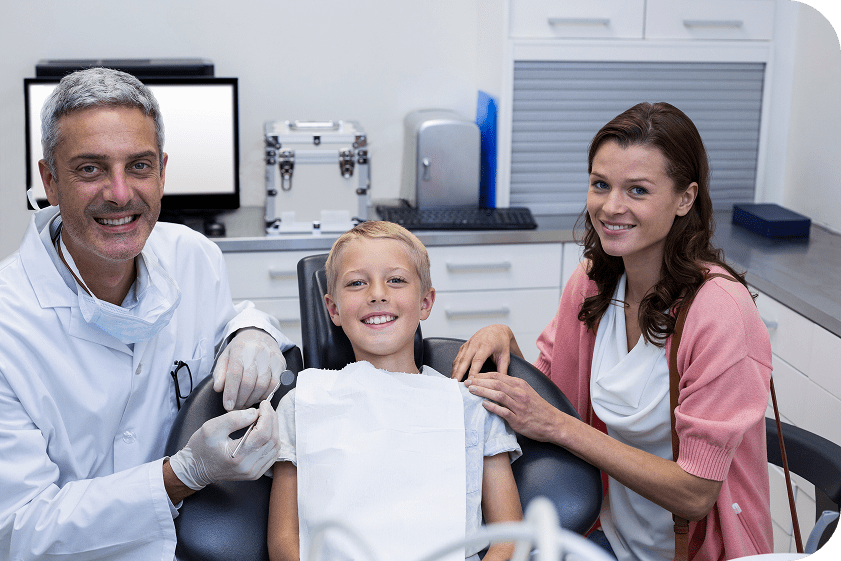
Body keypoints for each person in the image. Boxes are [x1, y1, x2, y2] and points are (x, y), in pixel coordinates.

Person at [452, 102, 773, 561]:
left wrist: (560, 427)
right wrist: (505, 340)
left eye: (637, 190)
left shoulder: (718, 313)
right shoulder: (594, 281)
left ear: (685, 199)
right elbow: (550, 399)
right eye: (600, 184)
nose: (611, 206)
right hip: (607, 537)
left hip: (695, 552)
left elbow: (696, 494)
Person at [0, 67, 295, 560]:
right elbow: (18, 529)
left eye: (137, 166)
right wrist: (182, 476)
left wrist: (253, 331)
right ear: (49, 180)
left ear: (161, 171)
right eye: (90, 169)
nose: (119, 193)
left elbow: (226, 318)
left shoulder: (192, 256)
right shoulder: (10, 324)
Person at [267, 221, 523, 561]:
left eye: (396, 280)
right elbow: (285, 540)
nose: (377, 293)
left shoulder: (471, 406)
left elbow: (510, 539)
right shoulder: (302, 405)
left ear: (425, 302)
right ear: (333, 309)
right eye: (357, 283)